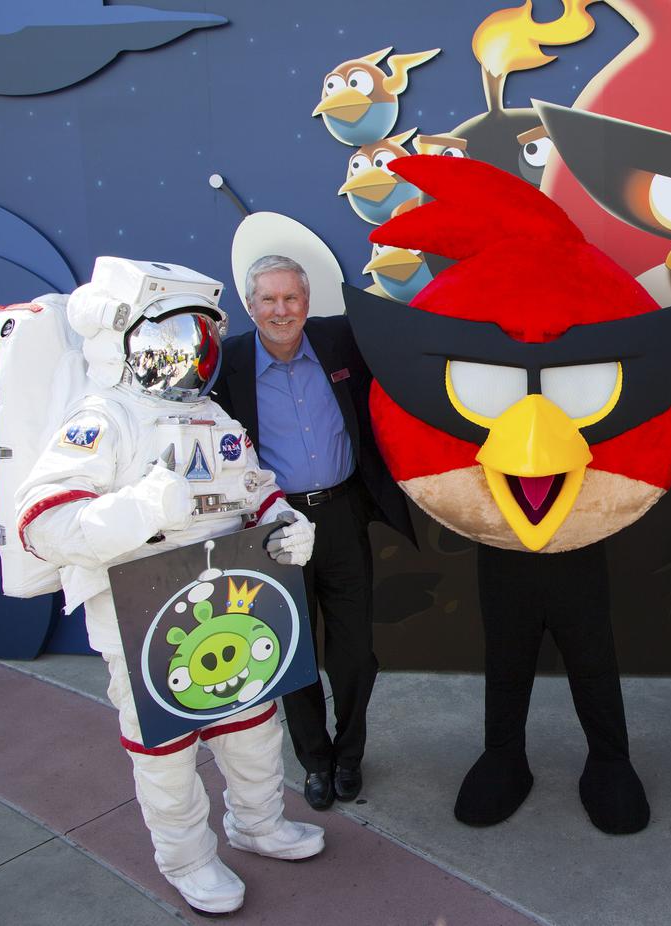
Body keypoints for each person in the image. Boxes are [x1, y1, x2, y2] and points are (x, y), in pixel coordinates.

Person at [16, 257, 323, 915]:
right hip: (140, 612)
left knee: (252, 719)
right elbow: (42, 522)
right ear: (125, 340)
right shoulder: (102, 419)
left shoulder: (210, 417)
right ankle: (187, 859)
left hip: (227, 601)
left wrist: (286, 524)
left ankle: (257, 822)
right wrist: (146, 508)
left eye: (197, 340)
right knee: (166, 743)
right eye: (170, 340)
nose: (186, 356)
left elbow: (254, 490)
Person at [213, 255, 416, 811]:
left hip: (343, 515)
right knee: (293, 655)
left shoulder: (340, 340)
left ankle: (350, 756)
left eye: (292, 298)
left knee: (354, 652)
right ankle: (316, 763)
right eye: (269, 300)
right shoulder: (226, 366)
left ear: (308, 301)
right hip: (273, 527)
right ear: (250, 306)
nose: (282, 311)